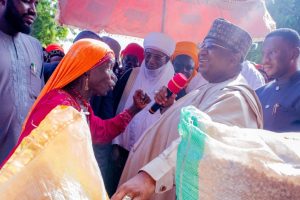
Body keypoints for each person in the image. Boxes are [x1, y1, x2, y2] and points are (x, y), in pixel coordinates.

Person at [112, 18, 263, 200]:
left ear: (234, 58)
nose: (202, 52)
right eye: (203, 45)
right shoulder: (210, 87)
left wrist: (151, 177)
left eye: (212, 46)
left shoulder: (235, 99)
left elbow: (202, 144)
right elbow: (185, 128)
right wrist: (168, 109)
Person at [1, 39, 150, 168]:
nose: (114, 77)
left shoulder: (79, 104)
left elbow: (101, 131)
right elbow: (36, 159)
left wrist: (133, 109)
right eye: (109, 67)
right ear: (87, 71)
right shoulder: (59, 106)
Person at [108, 32, 176, 196]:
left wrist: (168, 105)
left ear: (167, 60)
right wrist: (115, 143)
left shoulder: (173, 85)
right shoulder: (131, 74)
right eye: (148, 55)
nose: (151, 61)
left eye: (158, 57)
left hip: (151, 154)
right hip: (121, 149)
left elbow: (173, 122)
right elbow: (114, 107)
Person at [0, 0, 44, 164]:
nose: (33, 10)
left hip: (24, 165)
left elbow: (38, 102)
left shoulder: (35, 47)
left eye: (36, 4)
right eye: (26, 1)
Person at [256, 28, 300, 132]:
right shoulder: (259, 93)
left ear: (294, 53)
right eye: (264, 54)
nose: (265, 60)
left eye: (272, 52)